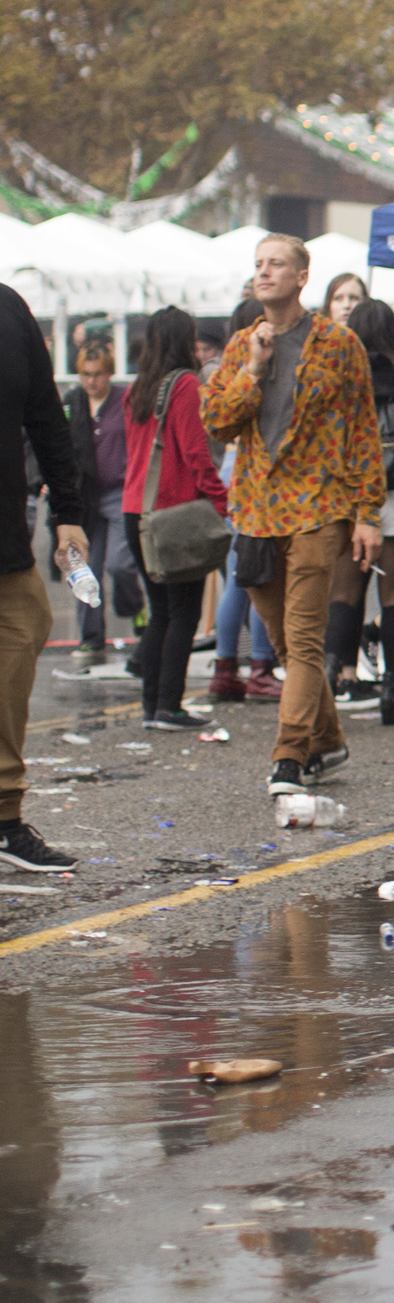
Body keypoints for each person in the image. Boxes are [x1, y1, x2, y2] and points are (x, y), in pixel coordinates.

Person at [201, 233, 382, 799]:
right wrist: (254, 368)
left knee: (303, 640)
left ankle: (289, 756)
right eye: (258, 265)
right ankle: (327, 740)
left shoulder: (338, 343)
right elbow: (219, 423)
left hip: (319, 508)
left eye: (276, 264)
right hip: (255, 509)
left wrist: (368, 512)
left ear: (303, 276)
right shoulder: (240, 345)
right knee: (281, 642)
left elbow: (363, 430)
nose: (264, 273)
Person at [0, 282, 88, 868]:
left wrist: (69, 516)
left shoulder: (9, 310)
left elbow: (46, 420)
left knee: (26, 628)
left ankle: (5, 819)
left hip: (5, 536)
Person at [121, 307, 228, 729]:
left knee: (161, 611)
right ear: (185, 341)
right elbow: (195, 454)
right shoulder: (185, 384)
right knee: (183, 611)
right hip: (174, 514)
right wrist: (221, 501)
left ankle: (153, 707)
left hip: (137, 512)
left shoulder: (137, 389)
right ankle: (170, 705)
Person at [323, 298, 394, 724]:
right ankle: (390, 688)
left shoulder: (342, 373)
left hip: (349, 493)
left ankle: (329, 680)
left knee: (344, 594)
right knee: (393, 595)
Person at [204, 298, 279, 703]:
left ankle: (226, 667)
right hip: (253, 471)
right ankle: (261, 667)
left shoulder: (227, 364)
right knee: (255, 576)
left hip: (233, 469)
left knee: (239, 577)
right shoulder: (256, 359)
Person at [64, 339, 138, 670]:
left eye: (98, 374)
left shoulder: (124, 399)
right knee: (86, 569)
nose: (92, 381)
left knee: (119, 564)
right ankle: (91, 637)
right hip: (87, 496)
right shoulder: (74, 401)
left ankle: (138, 610)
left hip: (120, 490)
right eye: (85, 374)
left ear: (109, 373)